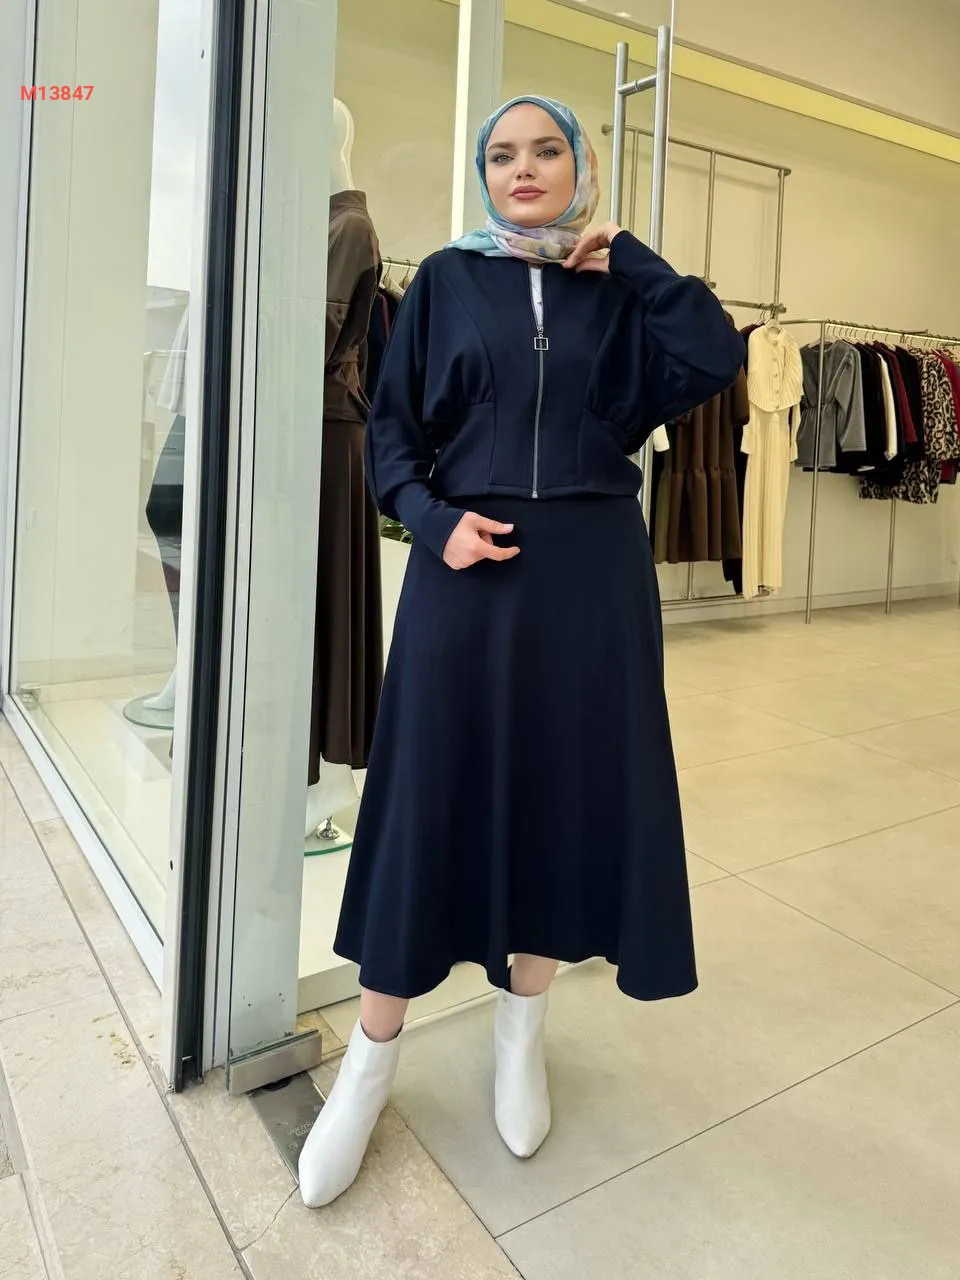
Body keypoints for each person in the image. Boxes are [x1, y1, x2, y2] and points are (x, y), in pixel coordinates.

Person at [298, 95, 745, 1208]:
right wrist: (432, 521)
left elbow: (712, 354)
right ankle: (370, 1061)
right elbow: (392, 437)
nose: (524, 169)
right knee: (427, 800)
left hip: (591, 582)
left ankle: (521, 1033)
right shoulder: (448, 280)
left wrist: (631, 259)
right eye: (502, 155)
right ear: (484, 173)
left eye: (548, 150)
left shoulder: (620, 290)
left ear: (579, 166)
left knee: (562, 796)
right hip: (465, 576)